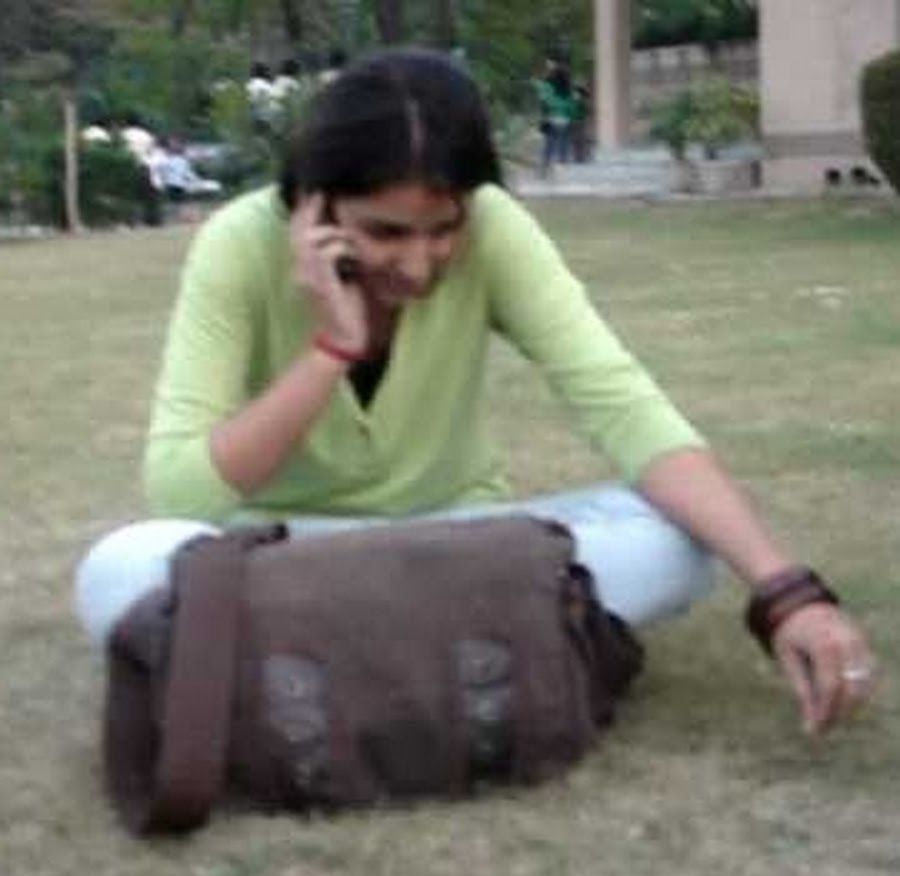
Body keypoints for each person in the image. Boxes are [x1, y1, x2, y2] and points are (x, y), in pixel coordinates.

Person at [75, 48, 875, 737]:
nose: (420, 264)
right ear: (313, 204)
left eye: (444, 228)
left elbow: (623, 405)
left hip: (456, 540)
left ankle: (324, 652)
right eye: (386, 231)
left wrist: (784, 591)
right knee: (120, 571)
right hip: (291, 549)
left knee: (677, 544)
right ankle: (474, 642)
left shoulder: (496, 231)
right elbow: (183, 491)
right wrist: (330, 350)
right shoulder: (237, 246)